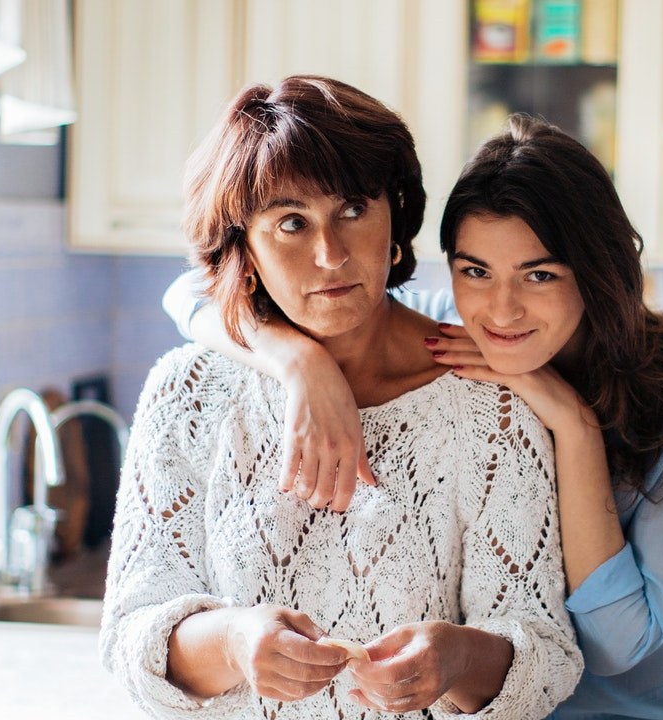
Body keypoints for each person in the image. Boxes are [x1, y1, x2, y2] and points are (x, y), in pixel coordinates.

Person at [170, 113, 663, 719]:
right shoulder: (447, 332)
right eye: (475, 271)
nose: (501, 310)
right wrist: (299, 363)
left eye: (540, 274)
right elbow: (189, 294)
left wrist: (573, 424)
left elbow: (616, 644)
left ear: (597, 271)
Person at [100, 77, 584, 720]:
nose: (329, 255)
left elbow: (548, 657)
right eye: (291, 223)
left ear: (395, 218)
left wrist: (459, 659)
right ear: (245, 248)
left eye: (353, 209)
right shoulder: (187, 393)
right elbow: (130, 639)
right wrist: (234, 643)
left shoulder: (491, 404)